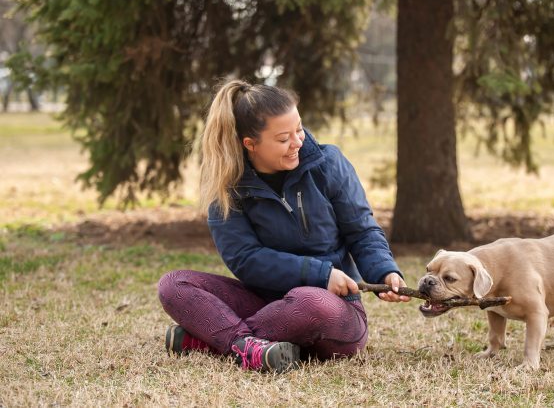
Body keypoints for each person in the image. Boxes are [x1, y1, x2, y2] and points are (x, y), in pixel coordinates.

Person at [158, 79, 410, 373]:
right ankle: (249, 346)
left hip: (332, 308)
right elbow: (245, 259)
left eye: (299, 129)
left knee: (310, 301)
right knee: (173, 284)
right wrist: (319, 273)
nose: (298, 143)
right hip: (263, 303)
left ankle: (217, 340)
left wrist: (385, 271)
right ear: (250, 144)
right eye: (283, 139)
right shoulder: (227, 187)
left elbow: (362, 231)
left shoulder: (329, 163)